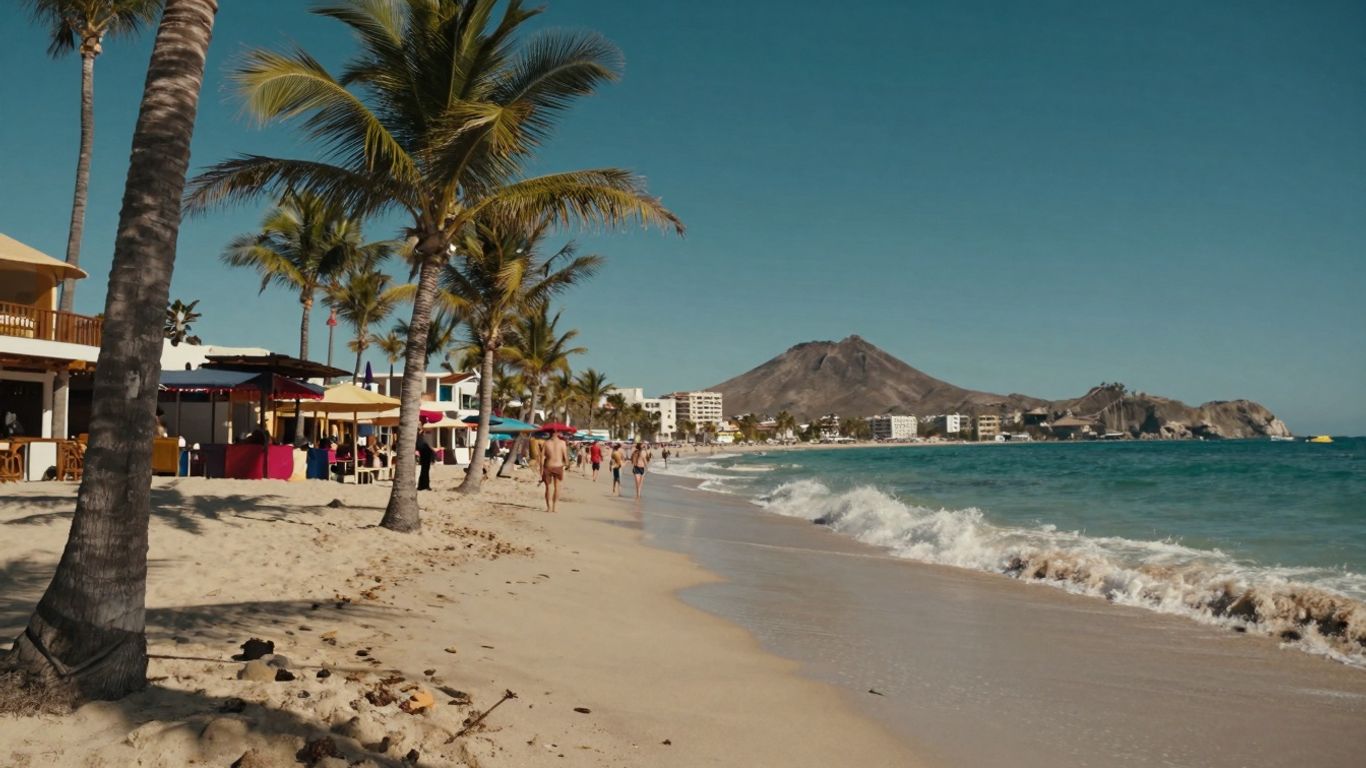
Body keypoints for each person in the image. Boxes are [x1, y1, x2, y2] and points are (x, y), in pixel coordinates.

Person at [541, 429, 568, 512]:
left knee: (548, 487)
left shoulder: (546, 443)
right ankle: (554, 507)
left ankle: (548, 508)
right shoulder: (562, 443)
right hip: (558, 466)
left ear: (549, 433)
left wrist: (541, 469)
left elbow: (542, 457)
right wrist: (566, 464)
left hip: (548, 466)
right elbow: (565, 457)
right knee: (557, 487)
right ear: (558, 433)